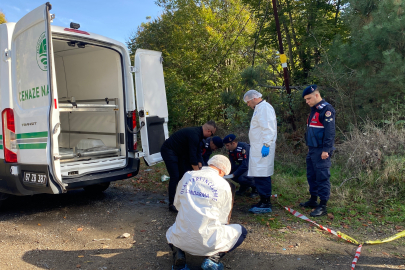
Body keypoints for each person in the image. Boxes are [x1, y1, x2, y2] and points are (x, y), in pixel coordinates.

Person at [166, 155, 247, 270]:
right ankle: (213, 259)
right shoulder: (223, 184)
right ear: (221, 171)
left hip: (182, 238)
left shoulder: (188, 175)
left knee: (171, 231)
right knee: (241, 231)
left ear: (210, 164)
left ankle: (179, 257)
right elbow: (223, 218)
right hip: (208, 243)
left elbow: (177, 204)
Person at [161, 121, 217, 213]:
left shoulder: (199, 135)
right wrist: (198, 174)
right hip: (169, 150)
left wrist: (201, 167)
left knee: (182, 175)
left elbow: (198, 152)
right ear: (208, 131)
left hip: (178, 153)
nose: (210, 136)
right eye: (212, 134)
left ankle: (181, 199)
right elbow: (192, 157)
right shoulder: (194, 135)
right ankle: (172, 204)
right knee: (175, 176)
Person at [299, 85, 335, 217]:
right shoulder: (314, 109)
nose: (307, 102)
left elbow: (330, 132)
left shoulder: (326, 109)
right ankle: (313, 200)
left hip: (321, 151)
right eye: (306, 99)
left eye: (308, 98)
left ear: (316, 95)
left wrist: (326, 149)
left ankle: (323, 205)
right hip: (312, 149)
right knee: (311, 176)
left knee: (322, 177)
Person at [243, 90, 277, 214]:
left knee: (262, 174)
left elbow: (268, 127)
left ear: (254, 98)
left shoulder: (264, 108)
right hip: (258, 147)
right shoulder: (259, 108)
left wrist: (267, 144)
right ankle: (263, 199)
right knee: (259, 174)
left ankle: (265, 202)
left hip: (263, 147)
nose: (248, 105)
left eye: (248, 102)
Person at [223, 134, 258, 198]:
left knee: (242, 178)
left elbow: (245, 165)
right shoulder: (231, 150)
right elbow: (231, 164)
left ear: (233, 143)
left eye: (227, 145)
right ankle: (244, 187)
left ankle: (256, 188)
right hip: (244, 166)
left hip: (253, 167)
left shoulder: (244, 148)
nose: (226, 148)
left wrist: (234, 174)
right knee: (229, 171)